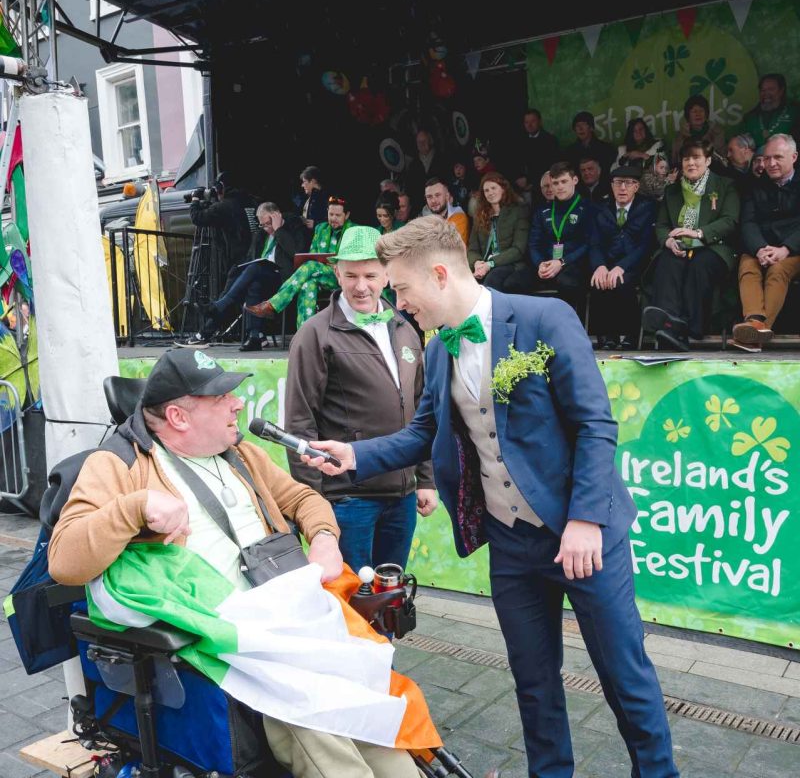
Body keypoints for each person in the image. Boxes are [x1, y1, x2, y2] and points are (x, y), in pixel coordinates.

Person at [301, 216, 679, 778]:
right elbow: (420, 434)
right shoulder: (435, 351)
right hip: (511, 544)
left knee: (624, 676)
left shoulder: (544, 318)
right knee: (532, 679)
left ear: (437, 276)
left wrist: (584, 522)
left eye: (401, 288)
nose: (399, 303)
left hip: (584, 538)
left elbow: (596, 425)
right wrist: (354, 455)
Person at [47, 349, 429, 778]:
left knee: (372, 717)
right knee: (315, 714)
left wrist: (324, 538)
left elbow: (303, 498)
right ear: (178, 416)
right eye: (222, 397)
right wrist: (134, 507)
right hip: (224, 636)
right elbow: (64, 562)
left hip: (285, 619)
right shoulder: (117, 464)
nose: (239, 404)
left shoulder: (242, 454)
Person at [284, 226, 437, 571]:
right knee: (351, 604)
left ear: (387, 274)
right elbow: (298, 421)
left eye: (370, 274)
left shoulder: (405, 326)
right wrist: (313, 502)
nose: (360, 285)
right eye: (350, 275)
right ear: (336, 273)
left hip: (402, 496)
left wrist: (425, 479)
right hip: (348, 498)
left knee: (390, 597)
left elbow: (421, 409)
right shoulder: (315, 334)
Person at [643, 139, 740, 351]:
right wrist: (667, 240)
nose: (691, 163)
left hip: (713, 248)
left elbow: (730, 221)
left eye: (696, 158)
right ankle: (668, 325)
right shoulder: (672, 190)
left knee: (699, 264)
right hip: (680, 247)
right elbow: (661, 225)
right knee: (667, 261)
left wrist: (698, 233)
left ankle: (687, 327)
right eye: (686, 158)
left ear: (707, 161)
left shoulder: (725, 185)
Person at [191, 202, 305, 350]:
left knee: (255, 269)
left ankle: (220, 307)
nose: (266, 228)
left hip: (284, 280)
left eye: (268, 224)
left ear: (277, 215)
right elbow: (251, 257)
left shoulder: (293, 228)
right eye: (262, 225)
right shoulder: (261, 235)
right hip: (264, 278)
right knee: (253, 282)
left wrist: (279, 230)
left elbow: (296, 254)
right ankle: (254, 336)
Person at [733, 133, 800, 352]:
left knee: (777, 271)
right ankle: (754, 322)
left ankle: (756, 333)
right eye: (767, 157)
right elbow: (748, 222)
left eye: (778, 157)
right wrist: (760, 248)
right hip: (761, 246)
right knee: (747, 265)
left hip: (792, 250)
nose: (770, 163)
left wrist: (786, 248)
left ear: (794, 157)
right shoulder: (755, 185)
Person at [245, 196, 353, 330]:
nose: (333, 218)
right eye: (331, 214)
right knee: (307, 285)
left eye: (338, 215)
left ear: (347, 215)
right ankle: (304, 334)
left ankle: (274, 304)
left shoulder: (353, 231)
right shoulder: (320, 228)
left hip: (342, 276)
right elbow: (312, 254)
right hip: (319, 275)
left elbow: (353, 261)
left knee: (309, 266)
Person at [589, 165, 656, 349]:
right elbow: (594, 242)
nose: (623, 188)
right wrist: (600, 266)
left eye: (628, 183)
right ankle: (606, 336)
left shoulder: (648, 208)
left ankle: (630, 335)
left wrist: (623, 266)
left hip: (634, 263)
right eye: (618, 183)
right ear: (611, 186)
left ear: (636, 186)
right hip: (607, 261)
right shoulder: (600, 207)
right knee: (599, 281)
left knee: (621, 281)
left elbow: (645, 245)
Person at [528, 161, 592, 311]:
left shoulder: (587, 207)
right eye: (555, 183)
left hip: (574, 264)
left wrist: (562, 262)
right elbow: (534, 243)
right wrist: (540, 264)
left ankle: (567, 329)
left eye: (564, 181)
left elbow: (588, 243)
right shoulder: (543, 210)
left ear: (575, 180)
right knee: (514, 282)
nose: (559, 187)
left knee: (567, 281)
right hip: (546, 265)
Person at [467, 172, 531, 294]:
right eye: (486, 190)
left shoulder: (519, 210)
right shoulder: (480, 215)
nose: (490, 193)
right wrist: (477, 263)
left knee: (492, 281)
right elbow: (472, 249)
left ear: (503, 188)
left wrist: (490, 264)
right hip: (484, 265)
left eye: (493, 188)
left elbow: (518, 249)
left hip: (510, 263)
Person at [189, 171, 258, 282]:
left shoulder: (223, 207)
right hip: (255, 255)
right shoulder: (250, 201)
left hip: (236, 260)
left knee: (230, 295)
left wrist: (195, 200)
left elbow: (197, 217)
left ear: (221, 187)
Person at [742, 73, 800, 149]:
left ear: (781, 91)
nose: (766, 94)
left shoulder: (795, 112)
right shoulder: (750, 117)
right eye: (763, 90)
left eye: (771, 89)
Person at [515, 108, 560, 196]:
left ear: (539, 122)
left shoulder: (550, 140)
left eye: (533, 121)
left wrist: (531, 181)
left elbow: (550, 166)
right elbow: (515, 162)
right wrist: (518, 179)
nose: (529, 125)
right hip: (520, 188)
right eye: (526, 122)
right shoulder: (519, 141)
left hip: (542, 188)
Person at [671, 95, 726, 167]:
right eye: (694, 111)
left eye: (701, 111)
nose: (698, 114)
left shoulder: (716, 132)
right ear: (688, 115)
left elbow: (721, 158)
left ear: (706, 114)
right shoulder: (680, 136)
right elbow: (675, 161)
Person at [404, 129, 450, 209]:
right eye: (419, 142)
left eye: (424, 141)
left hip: (440, 205)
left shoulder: (441, 158)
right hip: (420, 207)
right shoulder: (413, 164)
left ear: (430, 141)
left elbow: (447, 181)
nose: (422, 144)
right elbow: (409, 188)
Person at [422, 177, 470, 244]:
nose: (433, 200)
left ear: (447, 196)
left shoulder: (459, 216)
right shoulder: (423, 220)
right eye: (429, 197)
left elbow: (453, 247)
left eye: (437, 195)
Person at [298, 165, 327, 245]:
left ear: (313, 181)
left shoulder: (324, 197)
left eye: (304, 182)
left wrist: (315, 224)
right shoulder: (308, 198)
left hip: (319, 240)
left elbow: (332, 220)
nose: (302, 185)